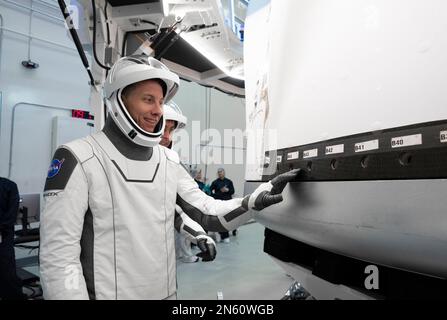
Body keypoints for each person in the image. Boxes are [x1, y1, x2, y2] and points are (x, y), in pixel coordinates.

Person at [39, 55, 300, 300]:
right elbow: (59, 258)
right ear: (119, 100)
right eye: (148, 99)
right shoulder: (78, 157)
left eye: (161, 102)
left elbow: (207, 211)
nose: (158, 111)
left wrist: (253, 202)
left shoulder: (168, 161)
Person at [160, 102, 215, 264]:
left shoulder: (171, 164)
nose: (167, 137)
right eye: (162, 128)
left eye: (171, 130)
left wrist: (200, 235)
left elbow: (179, 213)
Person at [0, 177, 24, 300]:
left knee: (7, 272)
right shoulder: (9, 186)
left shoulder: (9, 186)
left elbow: (11, 215)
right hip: (4, 235)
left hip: (3, 237)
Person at [210, 168, 235, 243]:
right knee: (220, 219)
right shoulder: (215, 182)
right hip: (219, 203)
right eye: (219, 172)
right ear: (217, 174)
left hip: (227, 203)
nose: (220, 173)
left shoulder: (229, 181)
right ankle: (220, 233)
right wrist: (219, 192)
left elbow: (232, 191)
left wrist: (227, 190)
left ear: (224, 173)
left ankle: (225, 234)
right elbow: (210, 193)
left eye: (221, 172)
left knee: (227, 219)